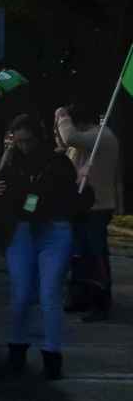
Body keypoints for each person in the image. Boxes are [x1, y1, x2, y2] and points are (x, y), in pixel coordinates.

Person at [0, 114, 83, 380]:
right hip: (23, 231)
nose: (23, 147)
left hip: (53, 230)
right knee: (20, 294)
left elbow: (70, 198)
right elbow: (0, 193)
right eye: (18, 142)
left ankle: (52, 356)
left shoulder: (58, 163)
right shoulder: (12, 162)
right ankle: (17, 350)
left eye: (28, 141)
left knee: (49, 293)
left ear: (39, 138)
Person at [56, 104, 122, 322]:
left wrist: (62, 115)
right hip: (82, 205)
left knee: (95, 255)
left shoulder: (100, 136)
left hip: (98, 206)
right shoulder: (86, 140)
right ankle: (80, 297)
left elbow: (70, 138)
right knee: (79, 255)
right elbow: (65, 145)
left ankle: (101, 302)